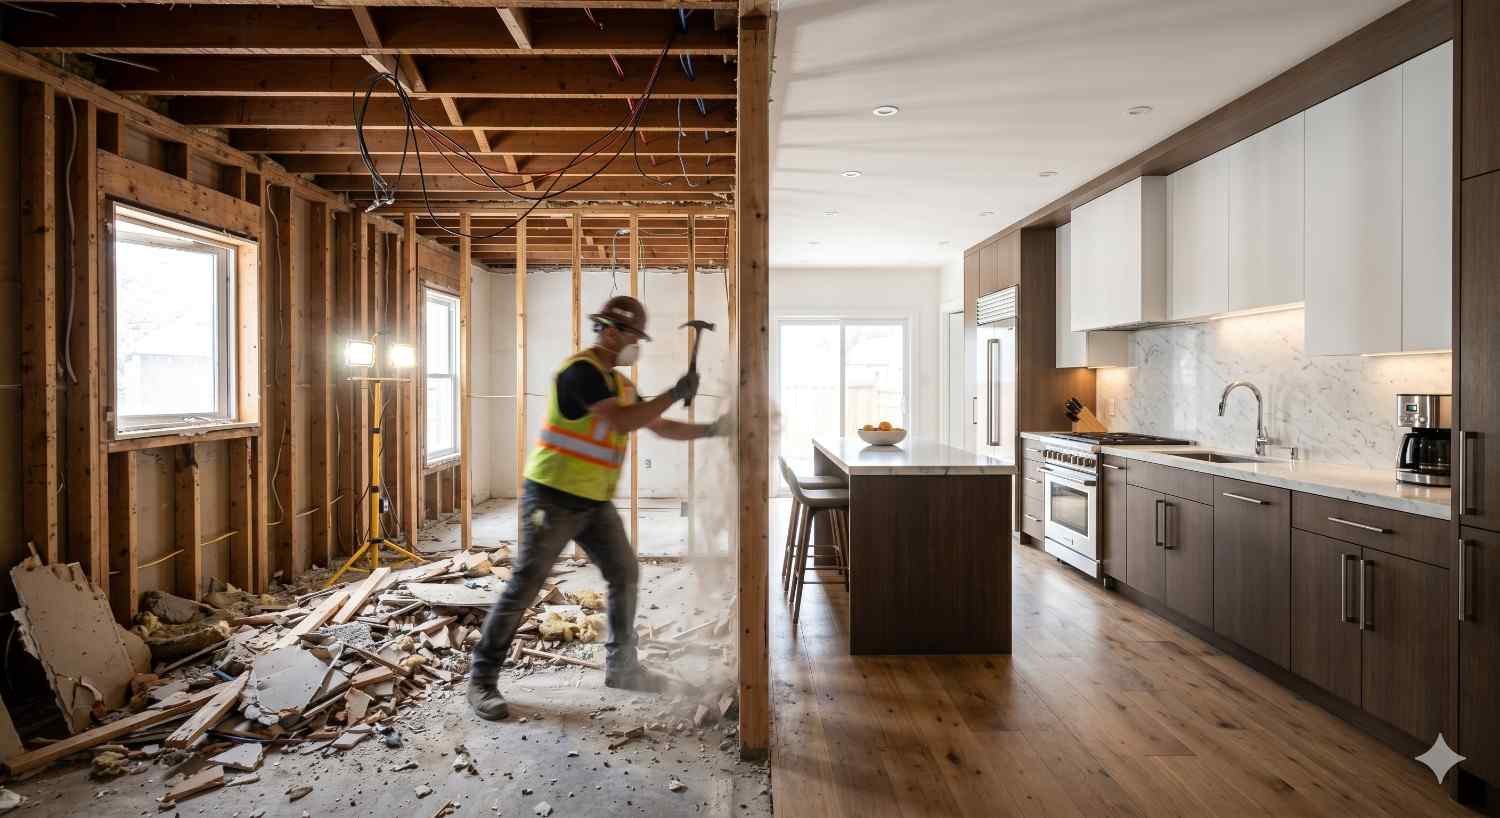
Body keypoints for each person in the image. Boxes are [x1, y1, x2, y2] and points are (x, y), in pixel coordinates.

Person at [468, 295, 725, 720]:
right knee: (526, 584)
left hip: (593, 502)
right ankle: (482, 679)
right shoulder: (580, 373)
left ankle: (623, 668)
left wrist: (713, 429)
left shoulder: (621, 384)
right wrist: (674, 391)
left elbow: (657, 426)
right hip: (551, 497)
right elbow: (621, 422)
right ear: (610, 331)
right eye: (633, 336)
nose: (636, 345)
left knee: (624, 573)